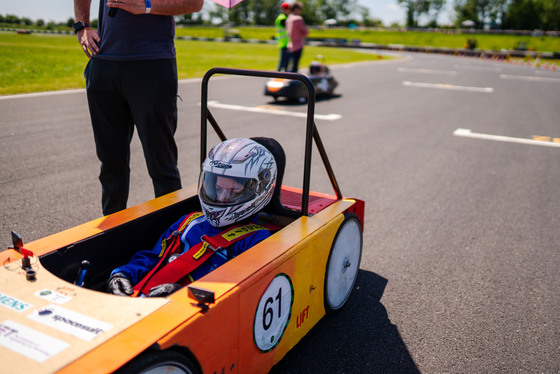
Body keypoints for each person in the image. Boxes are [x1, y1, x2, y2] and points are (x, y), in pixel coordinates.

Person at [73, 0, 203, 216]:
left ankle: (173, 237)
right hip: (104, 63)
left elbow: (195, 3)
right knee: (111, 165)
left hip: (152, 64)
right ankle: (113, 235)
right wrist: (82, 25)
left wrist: (147, 5)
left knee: (162, 164)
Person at [107, 138, 278, 297]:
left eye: (234, 191)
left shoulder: (257, 240)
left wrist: (185, 294)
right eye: (218, 188)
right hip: (142, 301)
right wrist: (123, 273)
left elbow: (239, 291)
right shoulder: (189, 222)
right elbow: (154, 256)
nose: (222, 198)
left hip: (194, 314)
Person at [286, 1, 308, 73]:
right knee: (295, 66)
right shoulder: (298, 19)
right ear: (296, 9)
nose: (301, 11)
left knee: (290, 64)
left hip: (290, 44)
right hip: (298, 44)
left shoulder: (288, 18)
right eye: (300, 9)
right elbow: (306, 32)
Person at [275, 2, 291, 71]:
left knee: (286, 61)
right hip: (284, 43)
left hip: (286, 42)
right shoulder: (282, 18)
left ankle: (283, 74)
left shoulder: (285, 17)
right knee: (283, 61)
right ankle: (278, 74)